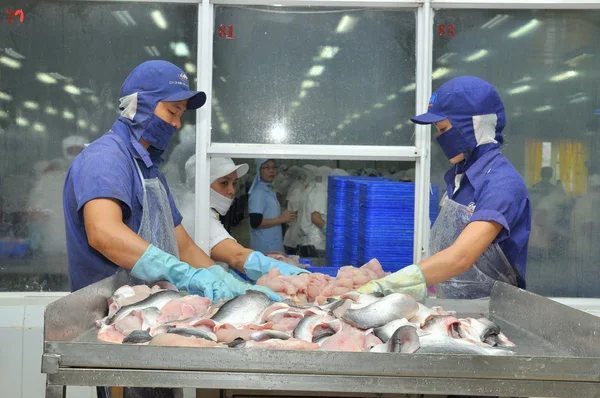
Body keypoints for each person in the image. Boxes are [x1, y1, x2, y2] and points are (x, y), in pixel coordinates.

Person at [63, 61, 280, 303]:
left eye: (180, 115)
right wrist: (181, 273)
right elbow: (103, 232)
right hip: (105, 312)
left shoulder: (150, 171)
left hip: (146, 305)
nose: (177, 124)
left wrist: (222, 278)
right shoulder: (105, 159)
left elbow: (183, 245)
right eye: (172, 111)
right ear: (139, 106)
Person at [357, 76, 531, 300]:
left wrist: (388, 285)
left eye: (442, 129)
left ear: (474, 126)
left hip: (491, 315)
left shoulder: (501, 185)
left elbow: (461, 257)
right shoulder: (461, 179)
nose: (440, 139)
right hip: (457, 309)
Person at [183, 155, 307, 279]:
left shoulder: (200, 209)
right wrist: (298, 274)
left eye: (234, 183)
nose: (232, 190)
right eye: (224, 183)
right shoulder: (197, 217)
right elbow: (237, 257)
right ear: (201, 183)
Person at [28, 135, 86, 255]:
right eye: (71, 150)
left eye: (78, 150)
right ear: (64, 151)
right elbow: (34, 211)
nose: (75, 154)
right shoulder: (48, 178)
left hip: (84, 246)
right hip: (53, 242)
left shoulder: (94, 175)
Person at [248, 159, 295, 253]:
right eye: (267, 167)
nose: (271, 170)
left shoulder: (268, 189)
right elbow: (255, 222)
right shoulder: (259, 193)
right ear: (259, 170)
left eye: (274, 167)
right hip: (264, 247)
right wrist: (281, 219)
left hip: (273, 245)